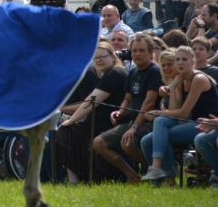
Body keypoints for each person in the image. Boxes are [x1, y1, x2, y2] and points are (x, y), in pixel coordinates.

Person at [141, 46, 218, 184]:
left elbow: (183, 113)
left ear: (192, 61)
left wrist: (157, 112)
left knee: (160, 126)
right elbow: (174, 111)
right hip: (192, 123)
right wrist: (174, 86)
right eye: (178, 60)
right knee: (147, 140)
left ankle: (166, 175)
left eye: (184, 59)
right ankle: (158, 179)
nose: (180, 63)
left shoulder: (198, 78)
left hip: (207, 124)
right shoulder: (181, 80)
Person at [93, 34, 162, 183]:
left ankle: (156, 173)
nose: (137, 54)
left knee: (128, 143)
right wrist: (121, 111)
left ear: (151, 53)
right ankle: (132, 175)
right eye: (134, 50)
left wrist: (134, 127)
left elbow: (149, 103)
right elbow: (128, 100)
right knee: (99, 143)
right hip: (134, 122)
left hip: (152, 122)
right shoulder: (133, 72)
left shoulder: (154, 71)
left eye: (141, 50)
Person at [56, 42, 127, 184]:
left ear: (113, 57)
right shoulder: (108, 74)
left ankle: (75, 179)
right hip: (98, 123)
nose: (99, 60)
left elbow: (90, 101)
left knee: (66, 131)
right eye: (96, 58)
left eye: (103, 57)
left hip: (107, 125)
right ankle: (80, 177)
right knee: (68, 130)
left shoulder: (115, 74)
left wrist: (70, 120)